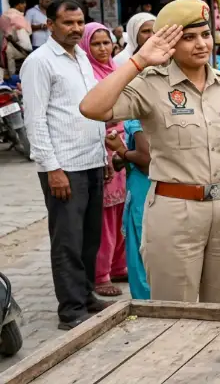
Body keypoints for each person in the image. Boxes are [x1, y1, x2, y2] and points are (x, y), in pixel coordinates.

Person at [79, 0, 220, 304]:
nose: (201, 44)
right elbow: (92, 108)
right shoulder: (150, 85)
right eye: (188, 37)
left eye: (205, 35)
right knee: (175, 315)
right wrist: (139, 61)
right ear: (168, 43)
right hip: (176, 212)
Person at [20, 0, 109, 330]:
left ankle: (85, 295)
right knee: (68, 239)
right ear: (50, 25)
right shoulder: (39, 62)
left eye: (79, 22)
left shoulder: (83, 57)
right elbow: (36, 120)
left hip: (91, 160)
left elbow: (90, 109)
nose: (75, 28)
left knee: (90, 237)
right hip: (64, 166)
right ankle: (71, 309)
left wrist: (103, 157)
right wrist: (51, 168)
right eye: (68, 23)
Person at [78, 23, 128, 298]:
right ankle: (100, 274)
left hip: (122, 146)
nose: (102, 48)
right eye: (95, 44)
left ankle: (119, 265)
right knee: (105, 216)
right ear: (87, 46)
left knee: (122, 211)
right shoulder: (88, 75)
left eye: (106, 43)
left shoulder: (116, 72)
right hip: (103, 146)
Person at [110, 116, 152, 300]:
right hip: (154, 187)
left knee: (142, 252)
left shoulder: (138, 119)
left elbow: (146, 160)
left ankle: (147, 302)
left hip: (143, 190)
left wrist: (121, 151)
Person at [2, 0, 32, 76]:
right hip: (17, 50)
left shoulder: (3, 16)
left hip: (4, 49)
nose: (25, 5)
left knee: (9, 74)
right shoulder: (17, 17)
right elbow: (24, 40)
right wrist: (28, 51)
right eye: (23, 3)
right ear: (18, 5)